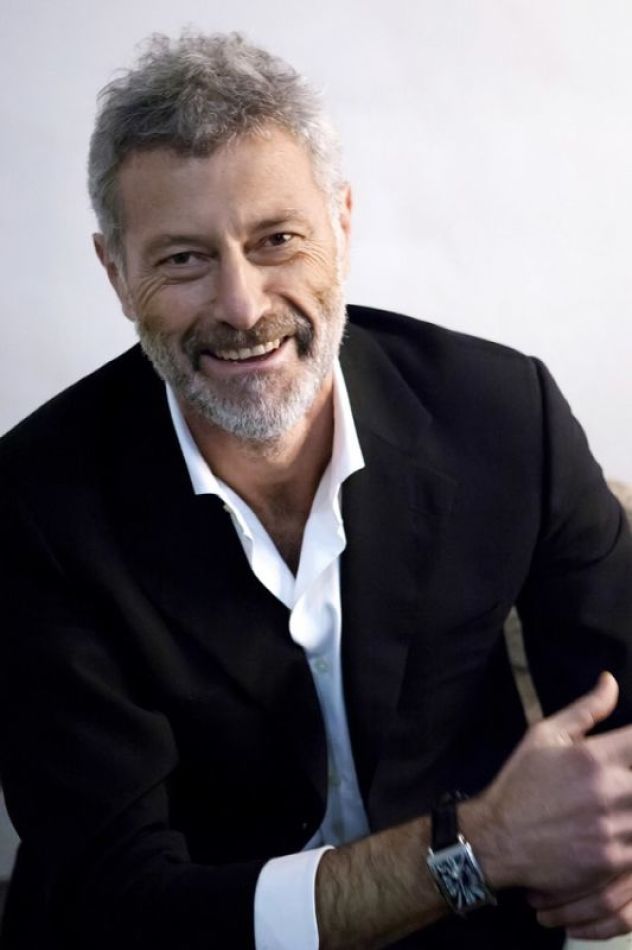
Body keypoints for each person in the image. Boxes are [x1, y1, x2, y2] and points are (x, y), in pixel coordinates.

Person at [0, 31, 631, 950]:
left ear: (341, 223)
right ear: (115, 273)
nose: (243, 305)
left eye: (277, 240)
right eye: (183, 259)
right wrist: (477, 850)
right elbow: (120, 900)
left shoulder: (504, 414)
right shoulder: (30, 507)